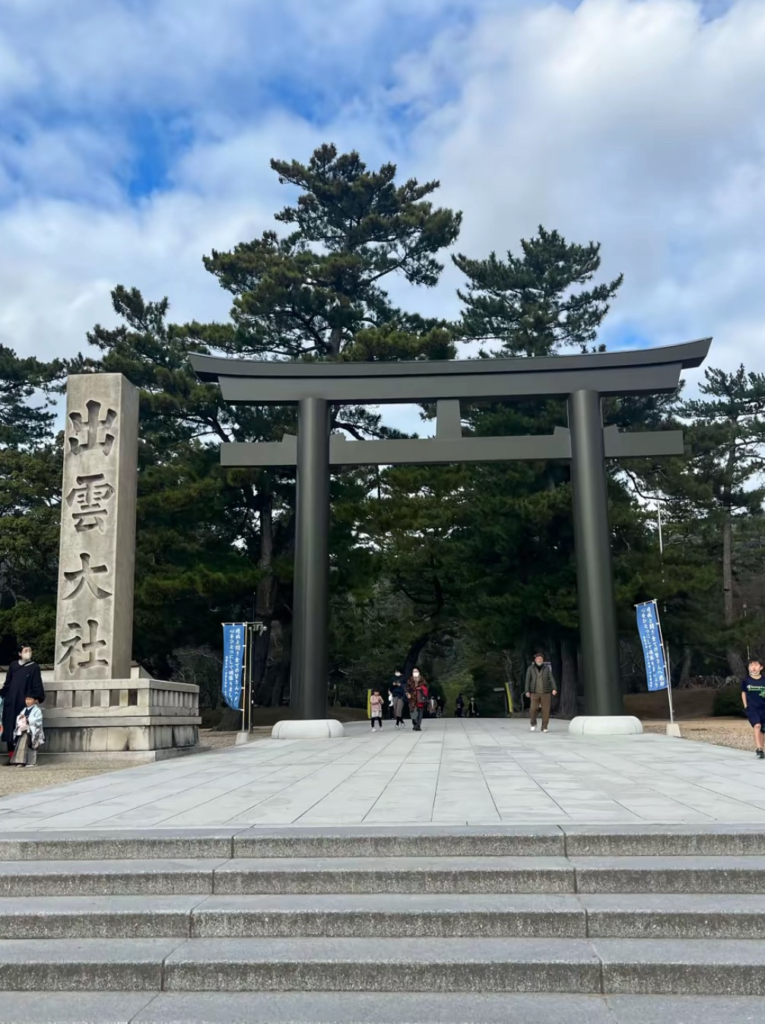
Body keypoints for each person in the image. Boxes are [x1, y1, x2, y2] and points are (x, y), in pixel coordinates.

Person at [1, 645, 45, 763]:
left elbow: (37, 683)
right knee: (10, 727)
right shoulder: (13, 665)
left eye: (30, 650)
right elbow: (8, 682)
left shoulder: (34, 667)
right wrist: (3, 694)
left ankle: (21, 756)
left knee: (23, 726)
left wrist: (36, 697)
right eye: (25, 651)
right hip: (11, 700)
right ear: (19, 653)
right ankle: (11, 756)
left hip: (24, 700)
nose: (28, 652)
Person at [525, 652, 557, 733]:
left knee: (546, 710)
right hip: (534, 692)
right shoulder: (530, 668)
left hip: (546, 692)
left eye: (541, 659)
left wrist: (554, 688)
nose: (539, 660)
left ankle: (544, 727)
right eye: (538, 658)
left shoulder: (546, 668)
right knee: (533, 709)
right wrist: (527, 690)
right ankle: (533, 723)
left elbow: (551, 678)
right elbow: (527, 680)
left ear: (543, 660)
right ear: (535, 660)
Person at [10, 695, 44, 767]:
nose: (27, 701)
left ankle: (31, 762)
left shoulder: (37, 710)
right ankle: (20, 761)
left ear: (35, 701)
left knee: (31, 745)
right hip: (24, 729)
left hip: (32, 730)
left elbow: (38, 720)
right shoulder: (24, 709)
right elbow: (19, 717)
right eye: (26, 699)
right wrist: (20, 717)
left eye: (30, 699)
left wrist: (28, 719)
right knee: (21, 745)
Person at [741, 657, 765, 759]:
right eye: (751, 665)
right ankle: (758, 747)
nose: (753, 667)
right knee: (757, 725)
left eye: (756, 665)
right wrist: (746, 706)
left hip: (763, 707)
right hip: (752, 708)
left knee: (763, 729)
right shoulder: (746, 680)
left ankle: (761, 750)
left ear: (761, 667)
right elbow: (743, 693)